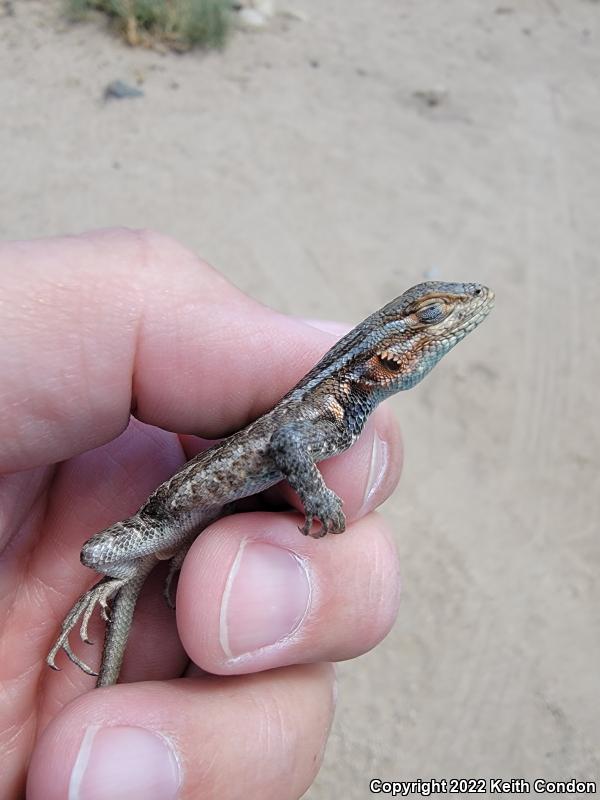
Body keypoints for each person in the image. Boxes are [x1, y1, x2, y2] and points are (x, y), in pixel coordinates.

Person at [1, 229, 402, 800]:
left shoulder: (339, 401)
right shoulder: (326, 402)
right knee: (100, 556)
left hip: (200, 520)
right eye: (432, 319)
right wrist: (318, 497)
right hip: (168, 514)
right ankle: (120, 579)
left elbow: (288, 442)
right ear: (391, 349)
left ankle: (153, 569)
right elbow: (289, 442)